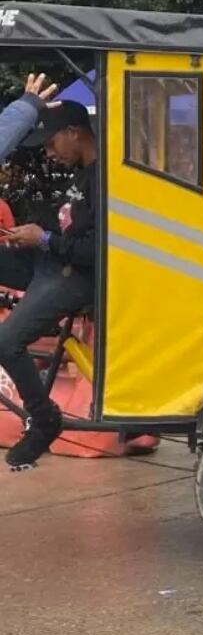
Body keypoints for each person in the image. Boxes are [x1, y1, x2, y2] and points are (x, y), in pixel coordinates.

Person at [0, 74, 97, 471]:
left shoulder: (106, 178)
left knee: (6, 344)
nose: (48, 154)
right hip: (51, 263)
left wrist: (43, 240)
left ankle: (44, 418)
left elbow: (95, 249)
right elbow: (66, 229)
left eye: (52, 142)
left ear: (73, 132)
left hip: (73, 274)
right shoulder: (80, 174)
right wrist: (27, 237)